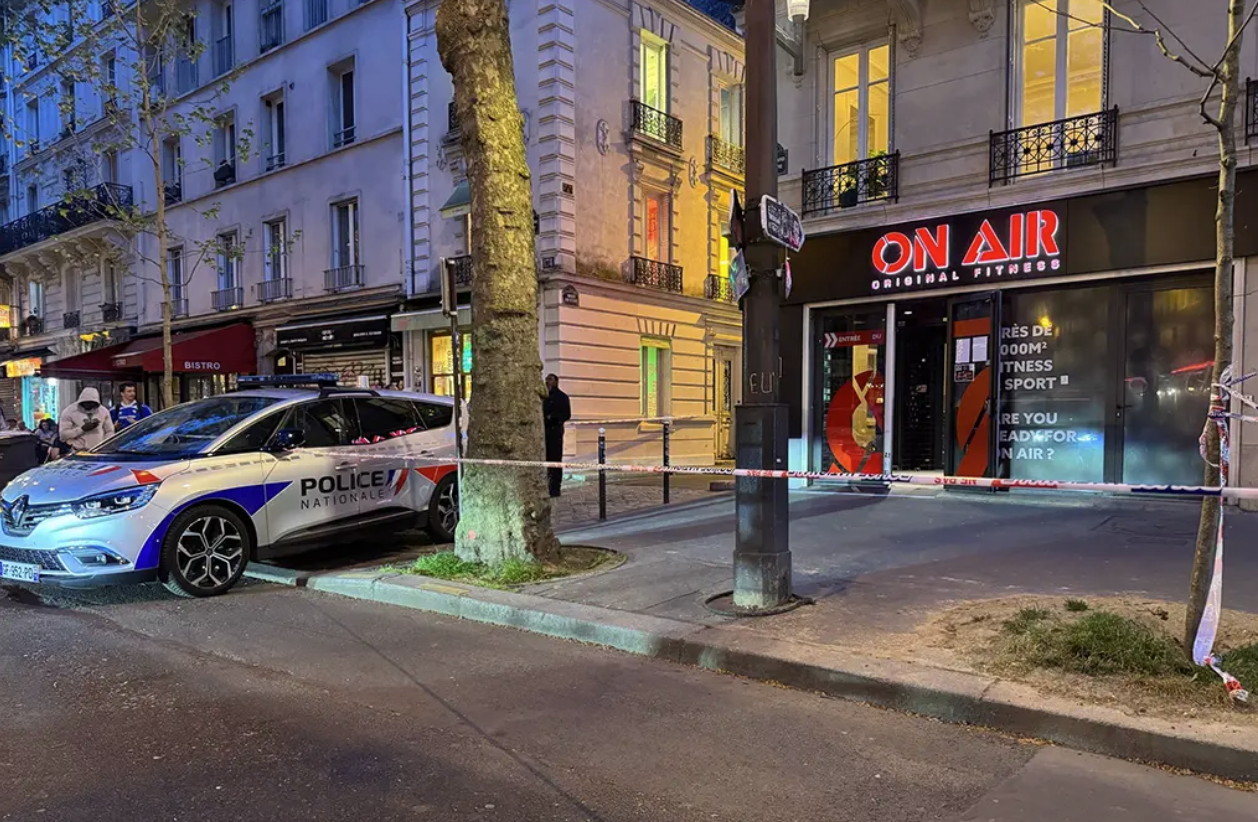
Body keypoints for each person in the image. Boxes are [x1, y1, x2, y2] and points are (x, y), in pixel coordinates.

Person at [59, 387, 115, 454]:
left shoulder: (103, 411)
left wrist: (104, 445)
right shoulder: (69, 411)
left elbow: (110, 431)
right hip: (78, 452)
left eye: (92, 404)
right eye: (87, 403)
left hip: (99, 451)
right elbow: (63, 435)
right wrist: (82, 429)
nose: (89, 406)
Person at [542, 373, 571, 498]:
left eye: (550, 379)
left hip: (555, 432)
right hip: (544, 432)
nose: (547, 382)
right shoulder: (544, 396)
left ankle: (555, 488)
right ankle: (546, 485)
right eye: (546, 379)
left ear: (556, 382)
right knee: (545, 459)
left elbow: (566, 414)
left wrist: (553, 418)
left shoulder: (562, 397)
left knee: (555, 459)